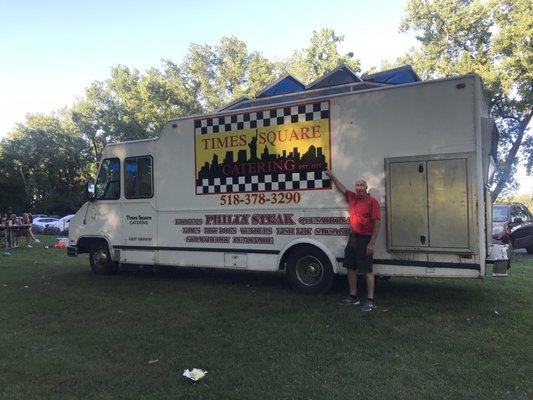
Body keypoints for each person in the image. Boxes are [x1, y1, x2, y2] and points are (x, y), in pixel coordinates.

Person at [325, 170, 381, 312]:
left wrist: (372, 242)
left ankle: (370, 300)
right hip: (354, 238)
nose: (359, 187)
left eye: (362, 185)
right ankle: (353, 296)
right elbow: (342, 188)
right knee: (350, 267)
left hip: (365, 239)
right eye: (357, 185)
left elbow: (377, 222)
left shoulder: (372, 202)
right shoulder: (353, 198)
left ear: (366, 188)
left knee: (367, 270)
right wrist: (332, 176)